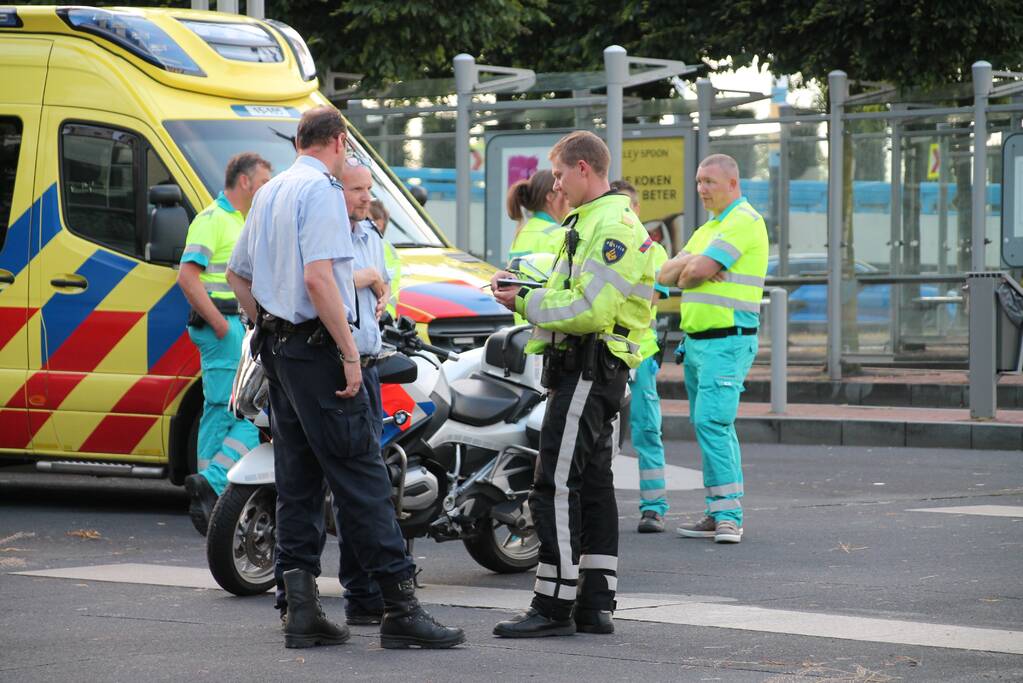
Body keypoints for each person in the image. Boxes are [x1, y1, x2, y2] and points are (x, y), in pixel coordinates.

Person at [226, 106, 463, 650]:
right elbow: (319, 278)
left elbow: (239, 274)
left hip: (280, 354)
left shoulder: (270, 191)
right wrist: (349, 354)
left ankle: (300, 609)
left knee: (299, 483)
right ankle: (400, 608)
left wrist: (262, 324)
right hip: (319, 356)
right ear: (337, 141)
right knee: (364, 480)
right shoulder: (323, 192)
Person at [489, 131, 655, 638]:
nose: (554, 185)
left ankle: (553, 604)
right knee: (594, 485)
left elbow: (589, 309)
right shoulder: (593, 220)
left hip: (588, 369)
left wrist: (522, 302)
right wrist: (529, 292)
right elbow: (581, 295)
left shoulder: (610, 225)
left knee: (554, 485)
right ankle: (593, 601)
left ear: (585, 168)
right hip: (589, 369)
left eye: (559, 174)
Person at [657, 153, 768, 544]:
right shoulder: (709, 229)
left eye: (710, 182)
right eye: (699, 181)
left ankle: (729, 517)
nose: (702, 188)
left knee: (712, 424)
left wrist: (691, 266)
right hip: (699, 344)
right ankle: (718, 509)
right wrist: (690, 262)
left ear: (733, 184)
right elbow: (665, 273)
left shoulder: (743, 221)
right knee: (711, 427)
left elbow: (689, 274)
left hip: (727, 342)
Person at [180, 152, 271, 536]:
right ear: (246, 181)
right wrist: (221, 325)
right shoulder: (213, 220)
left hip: (237, 327)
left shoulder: (242, 220)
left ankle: (208, 493)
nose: (269, 189)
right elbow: (187, 276)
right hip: (224, 327)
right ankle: (215, 483)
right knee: (247, 410)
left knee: (221, 411)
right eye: (265, 182)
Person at [329, 156, 392, 626]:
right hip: (336, 368)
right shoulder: (329, 231)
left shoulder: (370, 233)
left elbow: (379, 295)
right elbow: (319, 283)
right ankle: (362, 593)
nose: (366, 197)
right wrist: (367, 278)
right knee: (356, 487)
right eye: (356, 190)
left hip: (368, 366)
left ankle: (367, 592)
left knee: (370, 484)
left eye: (368, 189)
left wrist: (379, 293)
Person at [609, 179, 671, 534]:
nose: (626, 215)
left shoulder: (652, 250)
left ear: (638, 209)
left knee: (647, 429)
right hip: (609, 349)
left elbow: (649, 303)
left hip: (639, 354)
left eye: (630, 208)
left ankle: (654, 508)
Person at [506, 170, 571, 325]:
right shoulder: (559, 234)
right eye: (564, 193)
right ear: (550, 197)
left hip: (521, 324)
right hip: (545, 325)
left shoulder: (522, 232)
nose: (568, 200)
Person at [369, 198, 401, 318]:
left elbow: (383, 285)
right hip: (382, 316)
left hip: (381, 316)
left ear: (379, 224)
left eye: (366, 219)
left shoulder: (380, 247)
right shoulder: (386, 248)